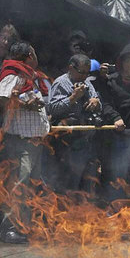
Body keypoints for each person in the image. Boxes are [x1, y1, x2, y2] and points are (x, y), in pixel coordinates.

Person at [0, 41, 50, 244]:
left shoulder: (31, 78)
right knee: (19, 185)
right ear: (28, 56)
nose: (36, 57)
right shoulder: (14, 76)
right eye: (34, 53)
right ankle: (8, 229)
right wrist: (24, 103)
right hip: (21, 143)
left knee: (30, 187)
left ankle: (24, 227)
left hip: (35, 142)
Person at [92, 43, 130, 207]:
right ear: (121, 62)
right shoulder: (111, 81)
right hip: (117, 135)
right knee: (115, 174)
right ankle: (114, 211)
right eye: (128, 59)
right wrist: (115, 117)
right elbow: (105, 102)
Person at [47, 53, 102, 193]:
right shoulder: (61, 82)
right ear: (71, 68)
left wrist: (96, 102)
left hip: (85, 139)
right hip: (67, 141)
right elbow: (52, 108)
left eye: (87, 73)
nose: (84, 76)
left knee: (84, 181)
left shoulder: (87, 82)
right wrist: (72, 98)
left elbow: (97, 102)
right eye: (81, 72)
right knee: (67, 181)